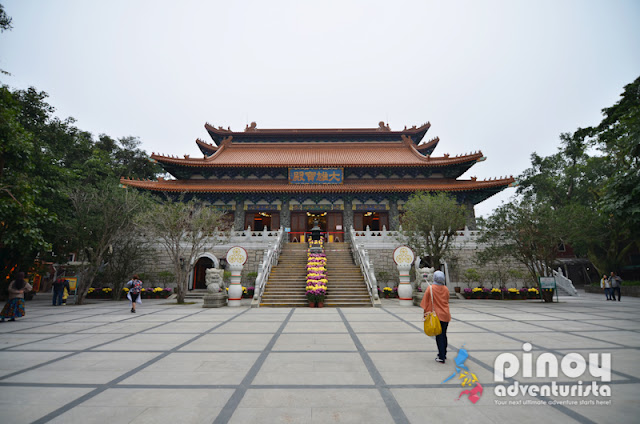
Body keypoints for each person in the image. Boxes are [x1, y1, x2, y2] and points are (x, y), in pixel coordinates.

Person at [420, 270, 451, 364]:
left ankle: (441, 357)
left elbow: (426, 302)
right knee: (444, 335)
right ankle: (444, 353)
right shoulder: (446, 289)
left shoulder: (431, 288)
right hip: (445, 315)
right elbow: (447, 300)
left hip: (436, 316)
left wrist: (425, 314)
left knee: (439, 336)